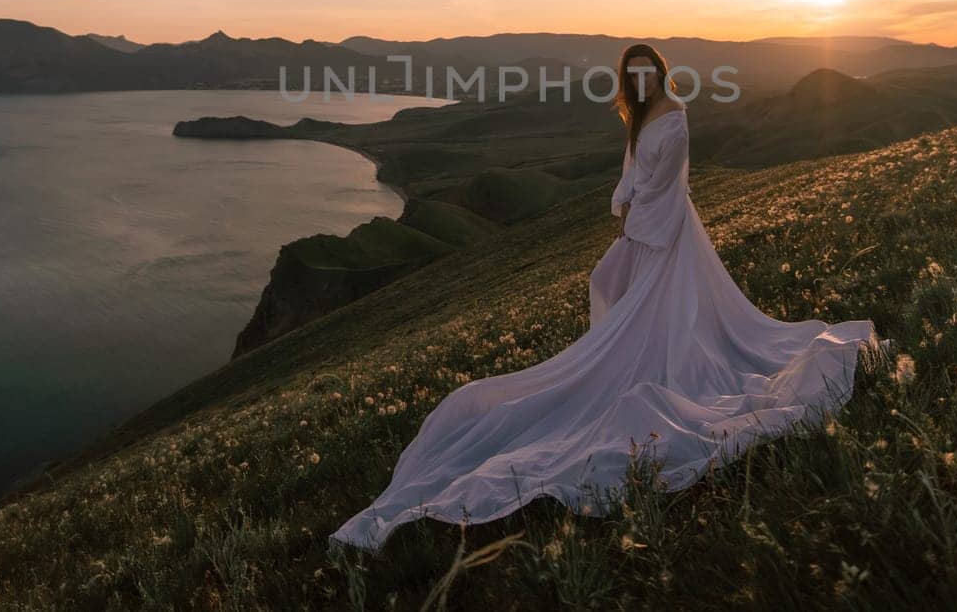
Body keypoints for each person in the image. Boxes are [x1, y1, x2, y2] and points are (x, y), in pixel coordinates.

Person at [327, 42, 890, 554]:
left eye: (648, 73)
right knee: (613, 285)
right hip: (643, 222)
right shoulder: (642, 114)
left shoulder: (675, 116)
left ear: (660, 74)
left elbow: (668, 182)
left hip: (664, 229)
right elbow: (632, 169)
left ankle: (657, 357)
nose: (641, 82)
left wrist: (637, 223)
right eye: (633, 75)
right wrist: (621, 204)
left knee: (643, 297)